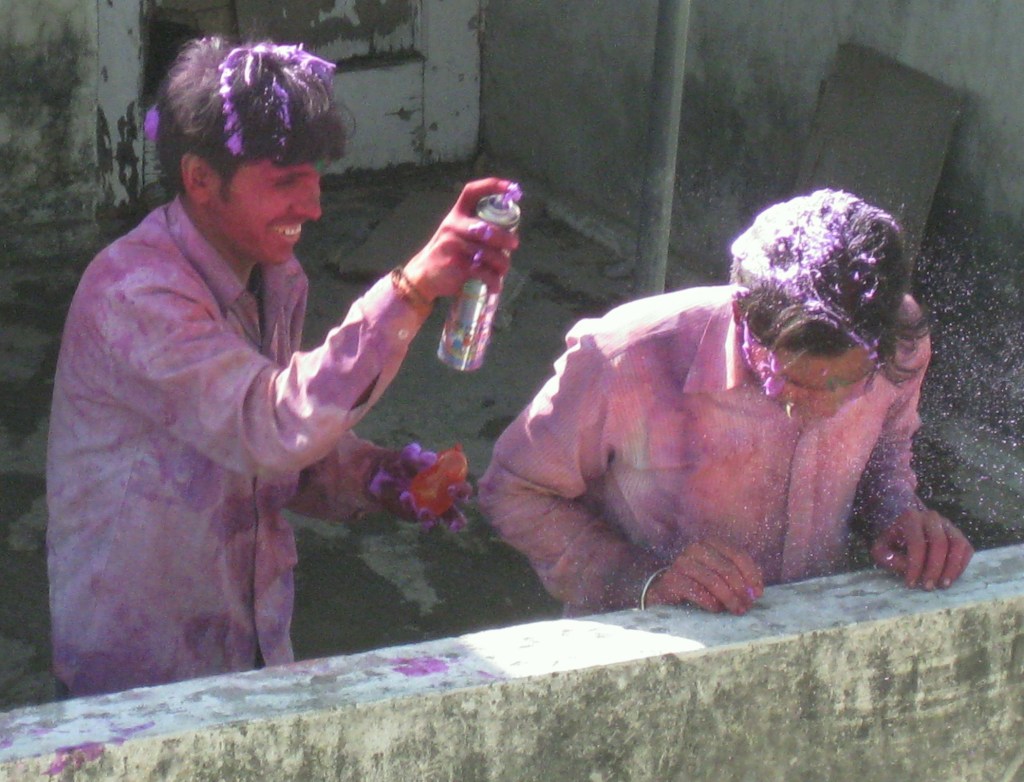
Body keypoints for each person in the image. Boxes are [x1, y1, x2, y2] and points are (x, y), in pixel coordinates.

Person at [46, 37, 519, 697]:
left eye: (314, 176)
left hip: (249, 649)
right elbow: (268, 425)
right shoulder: (133, 294)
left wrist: (373, 475)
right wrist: (410, 291)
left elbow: (275, 457)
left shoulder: (277, 278)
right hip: (139, 673)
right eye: (284, 181)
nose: (313, 206)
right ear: (200, 180)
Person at [479, 189, 972, 618]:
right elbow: (513, 490)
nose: (825, 410)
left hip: (811, 638)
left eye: (849, 384)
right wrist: (642, 579)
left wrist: (897, 516)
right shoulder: (625, 360)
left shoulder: (899, 344)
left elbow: (884, 455)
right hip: (649, 650)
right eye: (792, 384)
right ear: (743, 319)